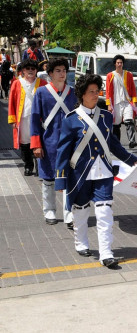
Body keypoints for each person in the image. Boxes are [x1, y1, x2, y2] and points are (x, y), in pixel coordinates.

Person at [55, 74, 137, 269]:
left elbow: (113, 145)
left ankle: (106, 253)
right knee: (81, 211)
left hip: (104, 172)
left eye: (97, 91)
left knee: (104, 212)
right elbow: (63, 151)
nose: (95, 95)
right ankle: (81, 243)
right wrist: (60, 179)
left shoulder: (107, 117)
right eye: (91, 92)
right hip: (80, 174)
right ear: (82, 95)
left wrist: (132, 160)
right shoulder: (71, 119)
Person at [30, 58, 76, 227]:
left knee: (69, 178)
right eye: (58, 70)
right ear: (50, 74)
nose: (62, 74)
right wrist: (36, 144)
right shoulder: (41, 92)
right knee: (48, 178)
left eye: (64, 70)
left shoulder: (73, 93)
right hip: (48, 142)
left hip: (69, 143)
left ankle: (69, 212)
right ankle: (49, 210)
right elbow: (35, 119)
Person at [8, 59, 44, 175]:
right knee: (25, 144)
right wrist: (12, 120)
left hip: (39, 120)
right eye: (27, 68)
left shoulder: (43, 83)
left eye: (32, 69)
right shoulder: (17, 83)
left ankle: (40, 167)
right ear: (23, 70)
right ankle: (28, 166)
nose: (30, 71)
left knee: (39, 142)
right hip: (22, 119)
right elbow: (12, 102)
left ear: (36, 70)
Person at [105, 54, 137, 148]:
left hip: (127, 102)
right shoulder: (110, 76)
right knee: (116, 125)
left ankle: (132, 141)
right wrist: (109, 105)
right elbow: (107, 91)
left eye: (121, 62)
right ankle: (116, 144)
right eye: (118, 63)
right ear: (115, 64)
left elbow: (133, 89)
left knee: (129, 121)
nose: (119, 64)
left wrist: (134, 102)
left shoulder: (129, 75)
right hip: (116, 103)